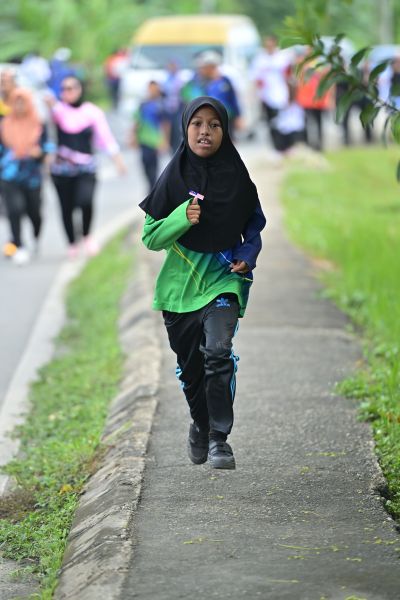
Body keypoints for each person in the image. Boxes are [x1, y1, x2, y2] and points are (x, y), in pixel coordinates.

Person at [139, 97, 266, 469]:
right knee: (191, 371)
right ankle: (200, 424)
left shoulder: (238, 178)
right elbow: (151, 238)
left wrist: (249, 254)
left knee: (218, 352)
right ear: (185, 128)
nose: (205, 132)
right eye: (197, 124)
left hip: (223, 283)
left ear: (225, 131)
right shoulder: (172, 179)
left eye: (214, 124)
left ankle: (219, 439)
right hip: (179, 292)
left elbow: (254, 226)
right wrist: (182, 217)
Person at [47, 76, 126, 258]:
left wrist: (117, 160)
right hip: (62, 169)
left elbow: (105, 137)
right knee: (66, 207)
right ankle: (72, 242)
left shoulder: (91, 112)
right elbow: (48, 132)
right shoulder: (57, 112)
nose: (68, 92)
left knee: (85, 201)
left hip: (86, 168)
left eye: (71, 88)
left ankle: (87, 235)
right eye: (64, 89)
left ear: (80, 89)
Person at [0, 88, 51, 265]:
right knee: (14, 209)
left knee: (34, 212)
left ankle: (36, 236)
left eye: (23, 102)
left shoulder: (38, 123)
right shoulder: (5, 124)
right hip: (9, 174)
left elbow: (47, 147)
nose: (20, 106)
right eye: (17, 102)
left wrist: (40, 154)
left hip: (32, 175)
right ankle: (18, 244)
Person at [250, 35, 292, 151]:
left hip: (281, 94)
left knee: (283, 121)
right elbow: (255, 77)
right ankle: (276, 146)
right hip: (266, 96)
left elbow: (289, 77)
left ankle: (286, 145)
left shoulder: (283, 58)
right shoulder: (260, 59)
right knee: (271, 122)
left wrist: (291, 95)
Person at [130, 80, 169, 192]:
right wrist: (133, 137)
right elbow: (137, 121)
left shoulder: (161, 105)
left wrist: (164, 141)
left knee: (153, 167)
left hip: (155, 141)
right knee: (145, 164)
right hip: (143, 140)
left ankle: (152, 189)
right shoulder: (143, 105)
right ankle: (151, 187)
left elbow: (165, 124)